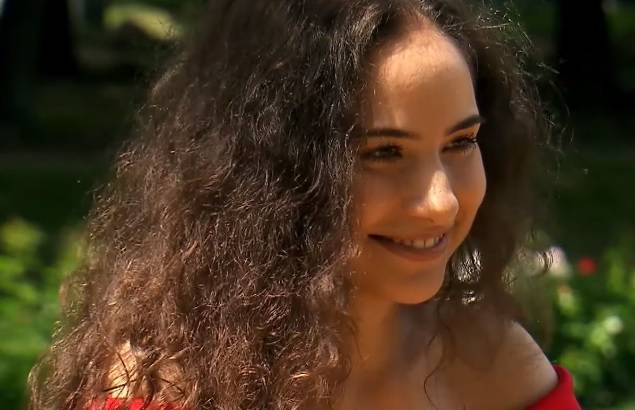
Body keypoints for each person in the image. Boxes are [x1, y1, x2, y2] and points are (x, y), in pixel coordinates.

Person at [29, 0, 580, 409]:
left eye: (461, 143)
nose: (440, 203)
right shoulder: (169, 387)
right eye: (384, 153)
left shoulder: (494, 366)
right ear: (274, 175)